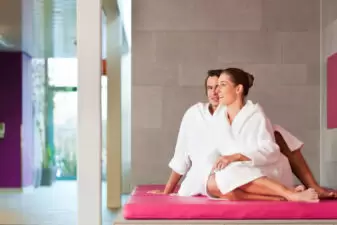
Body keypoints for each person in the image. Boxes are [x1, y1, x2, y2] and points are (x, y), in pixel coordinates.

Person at [151, 69, 336, 199]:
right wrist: (169, 190)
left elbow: (269, 148)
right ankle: (285, 196)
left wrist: (237, 156)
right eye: (211, 87)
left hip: (257, 166)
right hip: (227, 169)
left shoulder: (254, 114)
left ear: (237, 89)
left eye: (221, 86)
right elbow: (185, 152)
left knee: (278, 134)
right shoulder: (207, 116)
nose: (216, 92)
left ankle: (303, 189)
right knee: (217, 184)